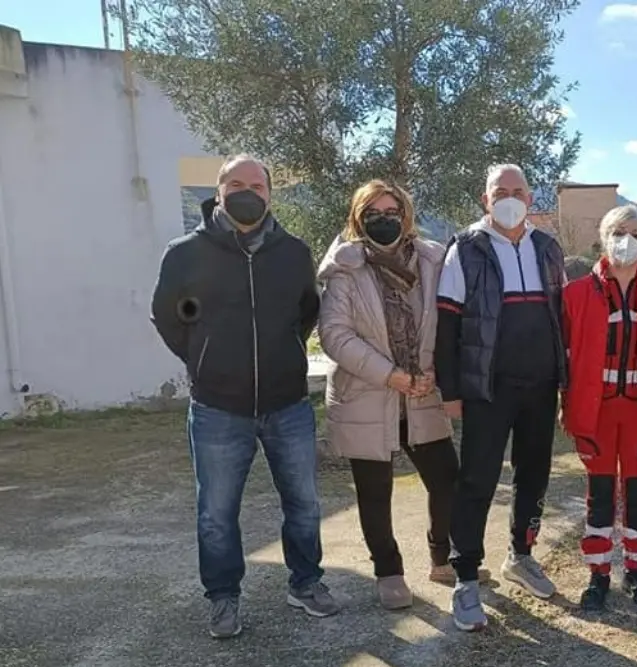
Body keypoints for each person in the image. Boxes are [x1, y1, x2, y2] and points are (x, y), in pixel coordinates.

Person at [150, 154, 338, 639]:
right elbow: (169, 319)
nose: (248, 191)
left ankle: (306, 582)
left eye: (257, 184)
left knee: (303, 503)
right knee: (216, 511)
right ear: (218, 189)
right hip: (217, 407)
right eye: (237, 183)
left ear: (271, 194)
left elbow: (305, 314)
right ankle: (223, 597)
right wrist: (204, 360)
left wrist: (286, 354)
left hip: (288, 403)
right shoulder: (185, 253)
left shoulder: (294, 252)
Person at [316, 180, 491, 611]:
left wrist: (433, 370)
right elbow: (335, 334)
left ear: (406, 213)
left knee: (446, 479)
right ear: (359, 217)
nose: (384, 218)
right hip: (366, 394)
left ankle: (442, 558)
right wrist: (390, 375)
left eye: (392, 210)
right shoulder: (344, 267)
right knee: (374, 491)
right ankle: (388, 571)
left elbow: (448, 320)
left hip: (422, 391)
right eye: (373, 212)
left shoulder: (434, 259)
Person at [435, 163, 568, 632]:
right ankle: (466, 576)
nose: (510, 198)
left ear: (530, 199)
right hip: (487, 389)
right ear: (485, 198)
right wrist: (450, 391)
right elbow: (447, 323)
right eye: (500, 191)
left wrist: (565, 384)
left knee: (533, 475)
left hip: (541, 386)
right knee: (477, 480)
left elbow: (562, 321)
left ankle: (522, 554)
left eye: (518, 190)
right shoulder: (466, 248)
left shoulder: (548, 248)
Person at [561, 205, 637, 611]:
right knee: (601, 494)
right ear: (604, 237)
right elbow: (563, 357)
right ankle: (598, 575)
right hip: (597, 410)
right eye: (620, 231)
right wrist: (564, 405)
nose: (628, 240)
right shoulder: (575, 293)